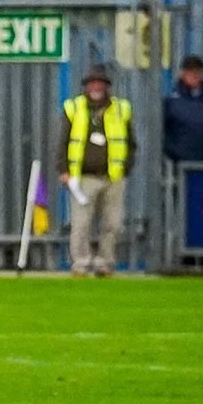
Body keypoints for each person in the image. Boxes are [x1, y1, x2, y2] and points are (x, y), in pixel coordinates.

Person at [57, 63, 136, 277]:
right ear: (86, 86)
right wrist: (63, 170)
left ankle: (105, 262)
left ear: (106, 86)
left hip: (114, 176)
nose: (96, 87)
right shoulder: (74, 107)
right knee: (81, 223)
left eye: (100, 83)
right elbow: (62, 141)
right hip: (82, 176)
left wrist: (126, 167)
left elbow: (131, 142)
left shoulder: (121, 108)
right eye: (92, 83)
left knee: (113, 223)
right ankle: (81, 263)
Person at [162, 55, 203, 164]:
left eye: (198, 71)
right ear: (182, 74)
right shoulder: (171, 102)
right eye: (190, 71)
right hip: (179, 164)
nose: (194, 75)